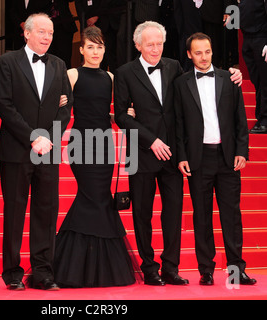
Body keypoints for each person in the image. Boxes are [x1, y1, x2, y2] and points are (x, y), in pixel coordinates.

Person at [114, 21, 242, 286]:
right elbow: (120, 116)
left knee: (173, 214)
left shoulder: (173, 67)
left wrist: (233, 72)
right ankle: (149, 268)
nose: (155, 49)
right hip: (142, 152)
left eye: (159, 43)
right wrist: (151, 140)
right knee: (142, 214)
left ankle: (170, 267)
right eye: (149, 44)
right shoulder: (124, 72)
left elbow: (199, 79)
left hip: (173, 153)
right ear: (138, 45)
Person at [53, 26, 138, 288]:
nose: (95, 52)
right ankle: (82, 265)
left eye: (99, 47)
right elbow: (62, 103)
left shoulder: (111, 77)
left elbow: (111, 108)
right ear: (81, 49)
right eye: (90, 47)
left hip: (104, 144)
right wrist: (58, 102)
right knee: (92, 196)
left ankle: (85, 266)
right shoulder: (72, 73)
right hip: (81, 143)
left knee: (100, 197)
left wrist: (123, 116)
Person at [0, 13, 73, 291]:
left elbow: (66, 107)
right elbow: (5, 105)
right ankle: (12, 273)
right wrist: (32, 138)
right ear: (26, 33)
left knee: (46, 212)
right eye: (41, 31)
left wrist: (47, 139)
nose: (47, 37)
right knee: (14, 212)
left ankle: (43, 273)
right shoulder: (7, 62)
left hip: (48, 150)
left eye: (50, 33)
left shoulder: (60, 64)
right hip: (17, 149)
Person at [174, 32, 256, 286]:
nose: (203, 57)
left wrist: (242, 150)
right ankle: (206, 270)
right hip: (199, 158)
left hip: (228, 156)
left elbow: (240, 119)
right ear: (189, 54)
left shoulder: (229, 79)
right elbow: (179, 124)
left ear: (212, 51)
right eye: (197, 52)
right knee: (202, 215)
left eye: (207, 51)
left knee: (232, 215)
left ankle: (236, 269)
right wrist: (182, 156)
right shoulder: (181, 83)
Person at [239, 0, 267, 134]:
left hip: (261, 39)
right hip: (248, 38)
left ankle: (265, 120)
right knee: (257, 81)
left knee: (265, 81)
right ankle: (261, 117)